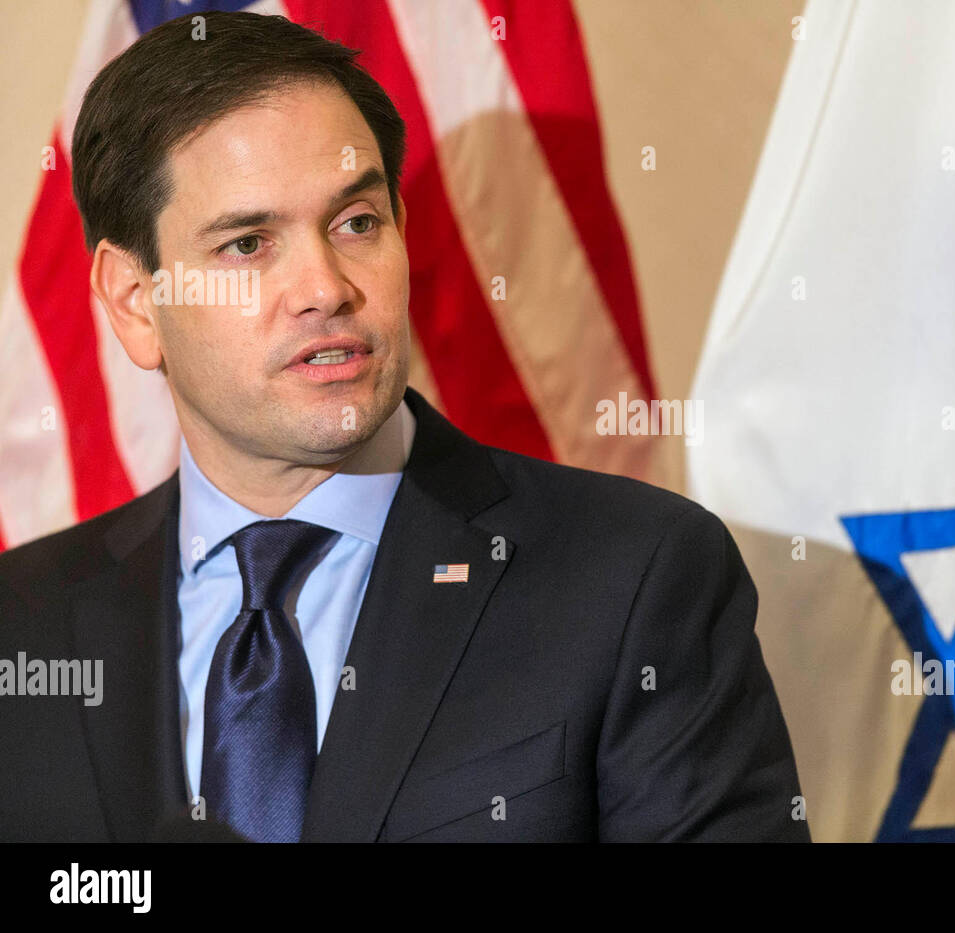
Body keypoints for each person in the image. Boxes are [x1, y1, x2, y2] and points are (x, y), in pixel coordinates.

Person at [0, 10, 808, 842]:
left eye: (356, 223)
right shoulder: (20, 625)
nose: (326, 287)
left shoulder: (635, 575)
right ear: (136, 304)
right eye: (247, 244)